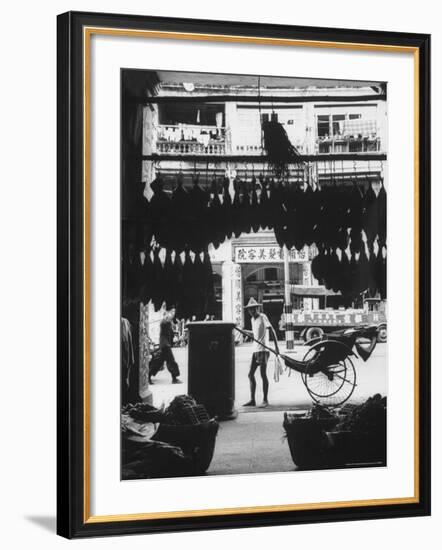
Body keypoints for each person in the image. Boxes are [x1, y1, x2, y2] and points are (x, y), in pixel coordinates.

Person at [242, 298, 279, 408]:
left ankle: (265, 400)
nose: (252, 311)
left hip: (263, 350)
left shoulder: (263, 317)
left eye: (253, 309)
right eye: (250, 310)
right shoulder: (252, 320)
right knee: (250, 374)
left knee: (263, 374)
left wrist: (277, 347)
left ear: (257, 308)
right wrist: (244, 331)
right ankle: (252, 400)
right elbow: (255, 335)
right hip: (255, 350)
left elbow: (272, 330)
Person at [149, 307, 182, 384]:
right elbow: (166, 322)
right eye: (172, 312)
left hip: (165, 345)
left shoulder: (168, 322)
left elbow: (171, 333)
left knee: (158, 362)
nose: (173, 314)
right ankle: (174, 378)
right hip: (165, 345)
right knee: (171, 361)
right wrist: (168, 317)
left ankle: (148, 376)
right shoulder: (164, 322)